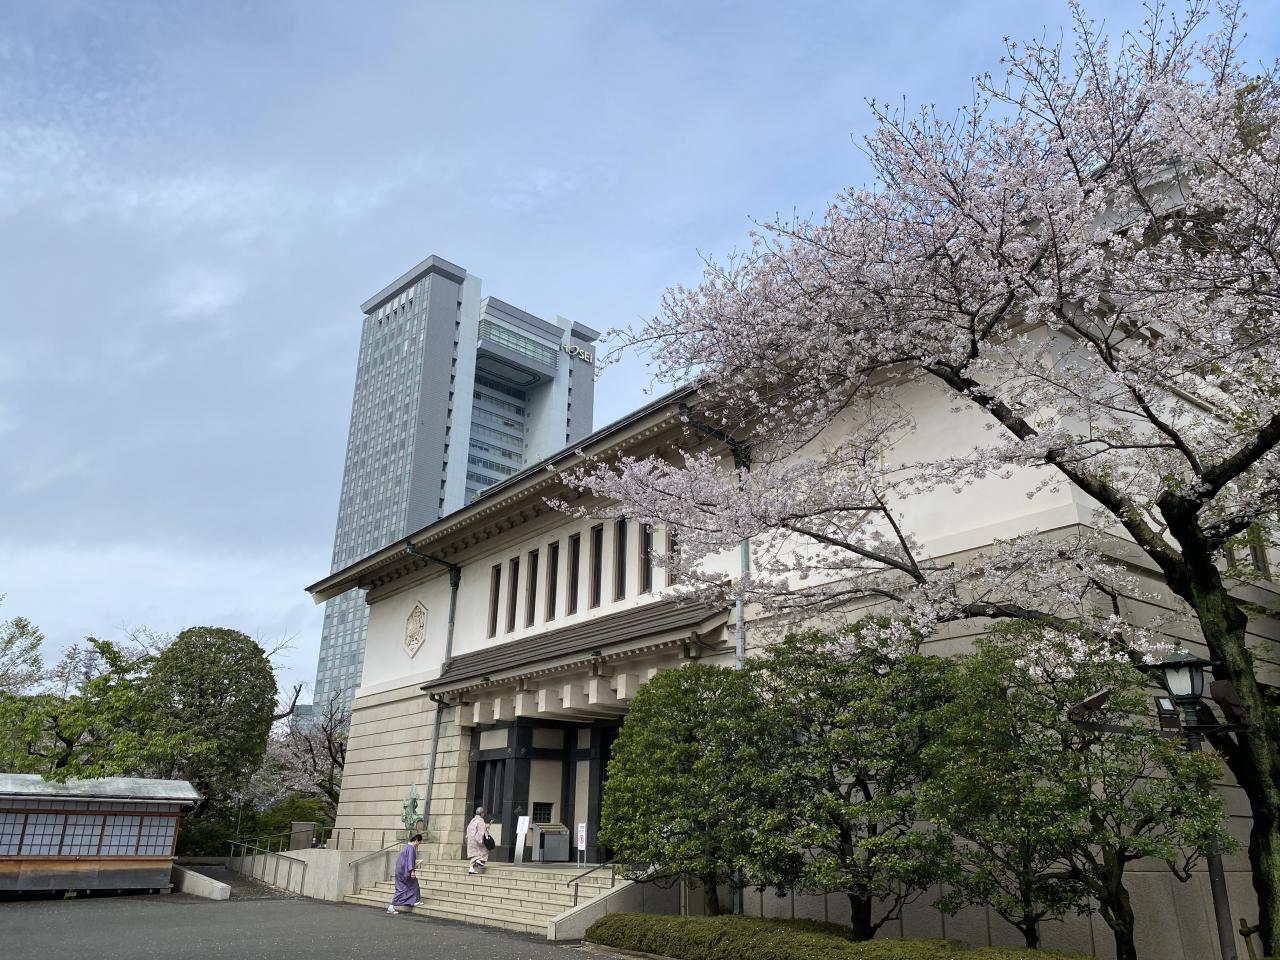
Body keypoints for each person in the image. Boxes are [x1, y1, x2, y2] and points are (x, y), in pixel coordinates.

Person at [386, 833, 425, 915]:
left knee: (412, 885)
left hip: (401, 870)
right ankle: (392, 906)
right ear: (416, 841)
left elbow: (406, 860)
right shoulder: (411, 848)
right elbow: (410, 860)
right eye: (419, 842)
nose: (419, 844)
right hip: (405, 872)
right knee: (403, 888)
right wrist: (412, 871)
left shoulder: (407, 847)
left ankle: (414, 901)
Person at [465, 806, 489, 875]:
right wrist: (487, 827)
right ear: (481, 813)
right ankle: (479, 860)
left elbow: (469, 829)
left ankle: (471, 868)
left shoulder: (473, 820)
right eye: (483, 813)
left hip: (470, 839)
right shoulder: (480, 820)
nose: (483, 814)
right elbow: (481, 830)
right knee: (484, 850)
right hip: (476, 839)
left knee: (473, 854)